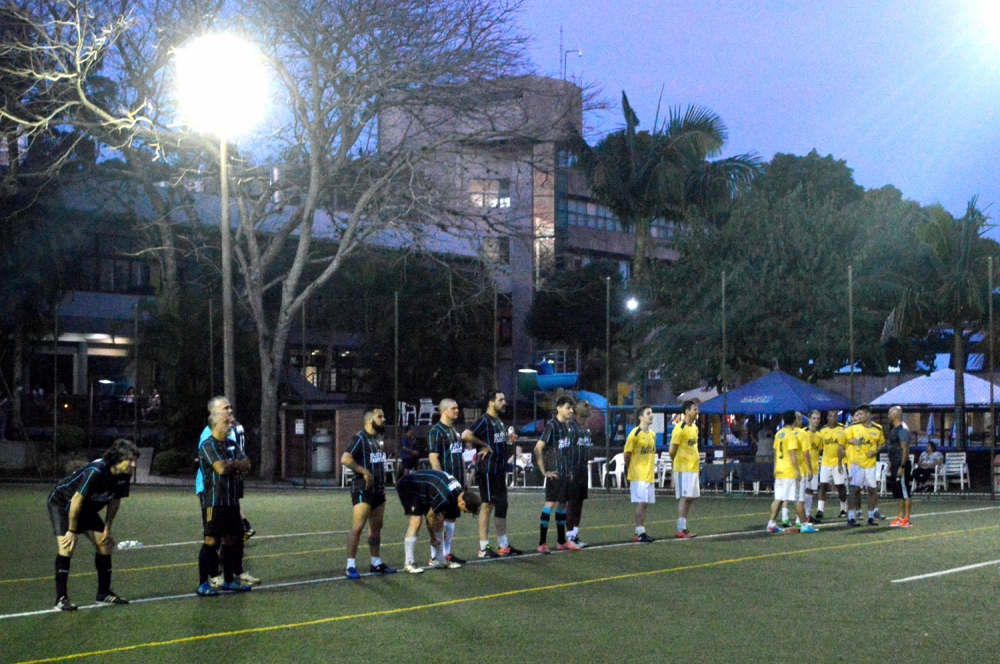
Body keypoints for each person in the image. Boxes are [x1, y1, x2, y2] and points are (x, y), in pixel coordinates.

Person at [48, 438, 139, 611]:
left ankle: (103, 594)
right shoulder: (96, 470)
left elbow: (115, 501)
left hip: (86, 508)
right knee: (67, 547)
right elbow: (76, 500)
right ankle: (61, 599)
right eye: (130, 460)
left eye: (134, 460)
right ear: (117, 458)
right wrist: (72, 530)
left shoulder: (124, 475)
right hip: (63, 504)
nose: (133, 465)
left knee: (105, 545)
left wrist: (107, 528)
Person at [197, 396, 257, 589]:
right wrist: (234, 464)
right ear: (214, 417)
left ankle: (230, 578)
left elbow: (246, 463)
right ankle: (209, 579)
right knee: (211, 539)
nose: (230, 414)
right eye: (225, 409)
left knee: (232, 538)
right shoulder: (208, 440)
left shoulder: (231, 441)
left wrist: (232, 464)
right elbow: (220, 468)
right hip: (214, 496)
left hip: (231, 497)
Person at [462, 391, 522, 558]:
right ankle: (483, 547)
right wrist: (483, 444)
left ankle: (503, 545)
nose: (504, 402)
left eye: (504, 399)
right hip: (487, 469)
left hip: (499, 470)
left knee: (502, 505)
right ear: (491, 402)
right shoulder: (484, 420)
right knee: (487, 505)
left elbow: (498, 443)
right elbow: (465, 435)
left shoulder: (499, 422)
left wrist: (509, 440)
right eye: (500, 400)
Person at [429, 398, 486, 565]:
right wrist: (440, 481)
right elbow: (434, 458)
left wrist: (465, 478)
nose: (457, 411)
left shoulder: (454, 431)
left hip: (457, 483)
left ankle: (446, 553)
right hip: (445, 484)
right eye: (453, 408)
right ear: (444, 411)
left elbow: (459, 455)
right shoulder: (436, 431)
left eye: (457, 408)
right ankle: (435, 556)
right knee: (440, 517)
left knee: (452, 517)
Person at [341, 408, 396, 579]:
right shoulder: (359, 438)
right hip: (363, 488)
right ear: (369, 420)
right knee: (358, 527)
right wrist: (364, 471)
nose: (383, 419)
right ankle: (350, 565)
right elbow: (345, 459)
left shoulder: (377, 439)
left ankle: (376, 562)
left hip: (378, 489)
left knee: (376, 527)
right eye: (380, 416)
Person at [396, 469, 482, 574]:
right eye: (465, 511)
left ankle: (439, 560)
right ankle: (409, 562)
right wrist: (433, 538)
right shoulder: (445, 497)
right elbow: (430, 517)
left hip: (425, 488)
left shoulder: (458, 491)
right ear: (463, 503)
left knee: (439, 519)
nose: (463, 512)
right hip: (409, 486)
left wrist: (440, 531)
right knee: (416, 521)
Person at [534, 396, 582, 553]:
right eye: (568, 407)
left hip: (565, 474)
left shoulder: (568, 426)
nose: (571, 411)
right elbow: (538, 448)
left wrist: (570, 470)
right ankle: (542, 543)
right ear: (559, 408)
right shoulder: (552, 425)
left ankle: (561, 542)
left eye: (571, 408)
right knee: (550, 504)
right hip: (554, 473)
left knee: (562, 505)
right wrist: (544, 471)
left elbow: (567, 451)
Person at [767, 411, 816, 533]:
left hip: (780, 471)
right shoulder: (791, 435)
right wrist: (797, 471)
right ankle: (804, 525)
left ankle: (771, 524)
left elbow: (775, 453)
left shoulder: (779, 433)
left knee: (778, 498)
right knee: (798, 499)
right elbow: (792, 454)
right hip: (790, 472)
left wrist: (775, 468)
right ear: (794, 420)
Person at [845, 404, 884, 527]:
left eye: (861, 414)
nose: (859, 416)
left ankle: (871, 516)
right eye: (858, 414)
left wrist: (875, 452)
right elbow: (843, 439)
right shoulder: (853, 427)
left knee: (872, 489)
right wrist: (852, 441)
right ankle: (851, 516)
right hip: (857, 464)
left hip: (870, 464)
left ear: (868, 414)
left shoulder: (877, 428)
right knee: (854, 490)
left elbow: (881, 443)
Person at [625, 405, 658, 542]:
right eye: (648, 413)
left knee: (645, 504)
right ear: (640, 417)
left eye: (651, 413)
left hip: (649, 475)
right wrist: (631, 468)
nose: (651, 415)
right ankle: (639, 532)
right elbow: (627, 454)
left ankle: (641, 531)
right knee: (642, 503)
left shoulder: (652, 435)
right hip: (638, 475)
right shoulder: (635, 434)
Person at [669, 400, 701, 539]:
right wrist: (678, 463)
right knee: (685, 497)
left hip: (693, 468)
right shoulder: (679, 428)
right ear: (687, 411)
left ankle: (683, 527)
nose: (697, 411)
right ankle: (680, 529)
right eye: (694, 409)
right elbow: (672, 450)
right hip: (683, 469)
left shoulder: (694, 428)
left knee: (690, 498)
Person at [566, 399, 593, 547]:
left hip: (583, 469)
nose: (588, 408)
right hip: (573, 470)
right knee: (572, 503)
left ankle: (575, 535)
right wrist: (568, 469)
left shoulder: (585, 429)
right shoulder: (571, 428)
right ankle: (569, 536)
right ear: (576, 409)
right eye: (585, 405)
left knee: (579, 503)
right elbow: (565, 450)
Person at [885, 406, 913, 528]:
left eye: (889, 414)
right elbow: (894, 448)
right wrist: (891, 464)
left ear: (894, 415)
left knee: (905, 491)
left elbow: (905, 449)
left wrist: (902, 466)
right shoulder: (895, 429)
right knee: (900, 492)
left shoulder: (902, 429)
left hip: (901, 465)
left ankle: (907, 519)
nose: (888, 416)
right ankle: (901, 516)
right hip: (895, 464)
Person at [817, 410, 848, 519]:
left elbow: (846, 446)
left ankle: (843, 508)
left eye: (835, 416)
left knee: (840, 486)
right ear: (827, 418)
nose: (833, 418)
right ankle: (820, 510)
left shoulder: (842, 429)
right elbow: (820, 447)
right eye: (830, 416)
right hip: (826, 462)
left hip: (839, 462)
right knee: (823, 485)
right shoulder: (823, 431)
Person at [799, 410, 823, 523]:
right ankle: (798, 516)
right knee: (801, 493)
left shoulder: (819, 436)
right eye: (814, 418)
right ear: (809, 419)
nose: (816, 421)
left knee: (810, 491)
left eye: (818, 419)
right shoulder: (803, 433)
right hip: (803, 468)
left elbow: (819, 451)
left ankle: (807, 515)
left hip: (814, 468)